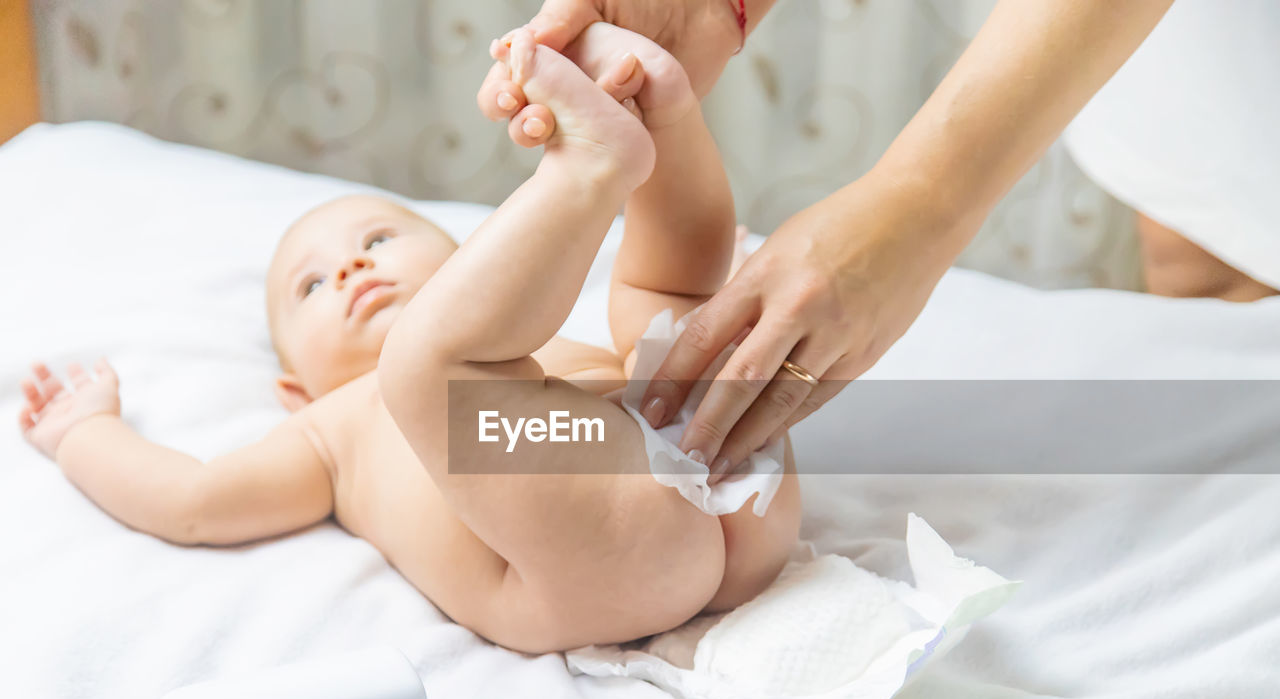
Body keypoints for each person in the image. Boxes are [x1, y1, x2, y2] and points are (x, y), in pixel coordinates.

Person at [16, 25, 800, 655]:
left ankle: (665, 114)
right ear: (295, 388)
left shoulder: (538, 345)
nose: (352, 266)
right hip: (605, 567)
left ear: (478, 269)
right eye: (312, 287)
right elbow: (194, 500)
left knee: (672, 302)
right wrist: (85, 434)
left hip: (717, 472)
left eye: (381, 237)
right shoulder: (330, 430)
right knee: (423, 367)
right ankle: (588, 168)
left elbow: (608, 317)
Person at [479, 0, 1182, 483]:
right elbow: (677, 277)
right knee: (1201, 274)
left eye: (384, 234)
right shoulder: (369, 416)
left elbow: (670, 277)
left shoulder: (441, 395)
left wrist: (920, 206)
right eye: (368, 226)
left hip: (680, 505)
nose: (362, 263)